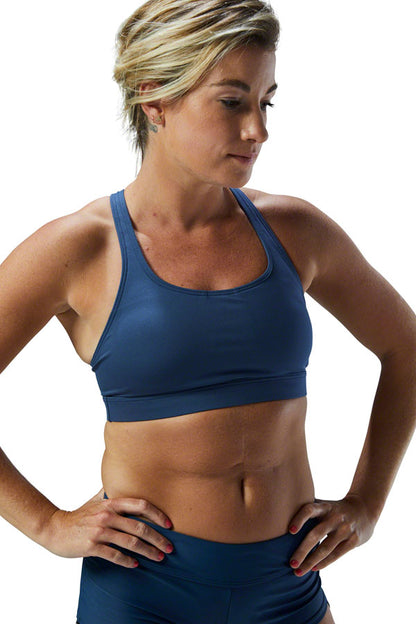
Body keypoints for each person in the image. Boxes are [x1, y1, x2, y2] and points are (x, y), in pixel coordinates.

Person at [0, 0, 415, 622]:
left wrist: (367, 505)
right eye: (231, 102)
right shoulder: (80, 248)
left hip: (289, 586)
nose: (258, 130)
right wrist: (46, 524)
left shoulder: (295, 230)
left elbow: (406, 345)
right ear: (154, 98)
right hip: (144, 593)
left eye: (266, 103)